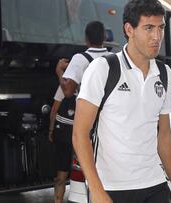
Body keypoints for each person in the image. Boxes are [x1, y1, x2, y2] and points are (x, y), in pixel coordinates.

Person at [73, 0, 171, 203]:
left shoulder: (164, 73)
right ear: (129, 29)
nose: (156, 36)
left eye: (161, 28)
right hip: (112, 188)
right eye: (148, 28)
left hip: (155, 184)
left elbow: (164, 135)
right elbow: (80, 134)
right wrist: (96, 190)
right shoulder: (102, 69)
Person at [53, 20, 110, 203]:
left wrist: (59, 73)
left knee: (66, 171)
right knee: (97, 172)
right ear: (104, 38)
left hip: (75, 123)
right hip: (101, 125)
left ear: (86, 39)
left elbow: (68, 90)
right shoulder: (113, 58)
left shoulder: (79, 59)